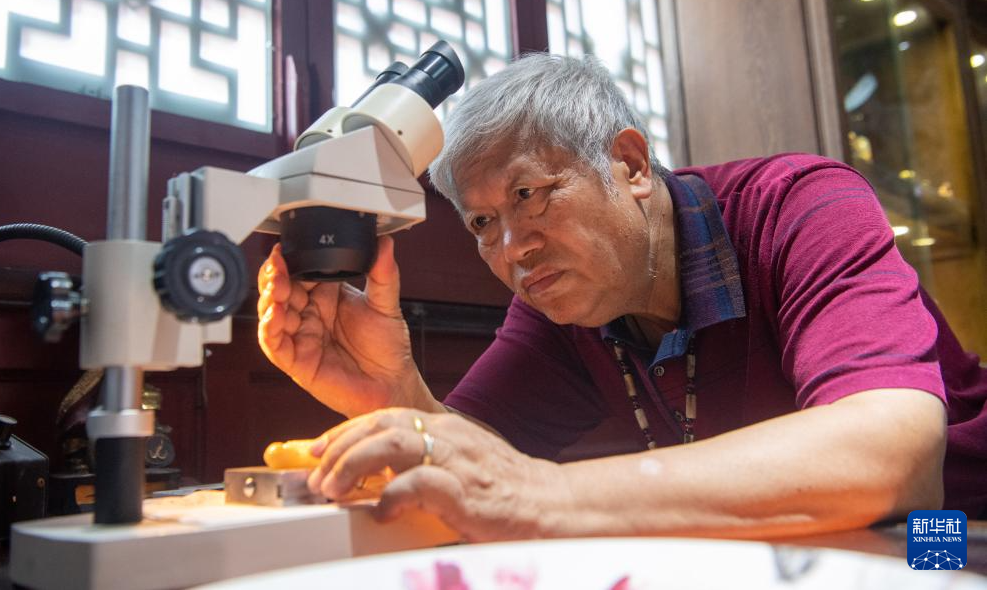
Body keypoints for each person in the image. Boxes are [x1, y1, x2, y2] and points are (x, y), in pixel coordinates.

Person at [256, 53, 987, 543]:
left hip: (951, 530)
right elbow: (476, 463)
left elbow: (895, 458)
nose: (512, 249)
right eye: (482, 223)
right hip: (782, 547)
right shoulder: (558, 304)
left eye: (528, 195)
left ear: (631, 164)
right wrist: (391, 389)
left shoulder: (802, 207)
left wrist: (545, 495)